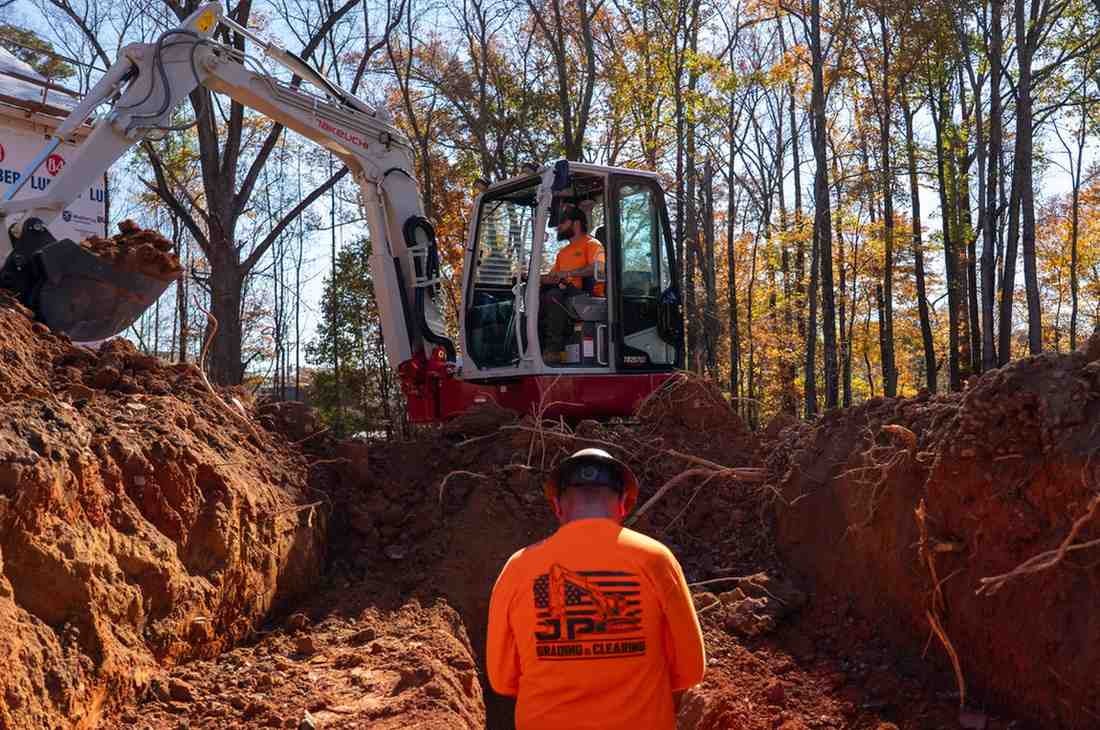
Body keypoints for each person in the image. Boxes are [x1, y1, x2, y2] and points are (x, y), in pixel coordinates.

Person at [486, 448, 706, 730]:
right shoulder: (655, 560)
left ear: (558, 507)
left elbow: (502, 679)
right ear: (623, 505)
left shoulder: (518, 568)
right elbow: (690, 669)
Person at [540, 206, 605, 363]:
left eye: (562, 222)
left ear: (576, 223)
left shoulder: (592, 244)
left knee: (553, 296)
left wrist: (568, 274)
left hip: (586, 295)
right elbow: (553, 276)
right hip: (565, 291)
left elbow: (597, 268)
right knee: (535, 297)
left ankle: (554, 349)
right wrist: (537, 278)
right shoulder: (563, 252)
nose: (558, 227)